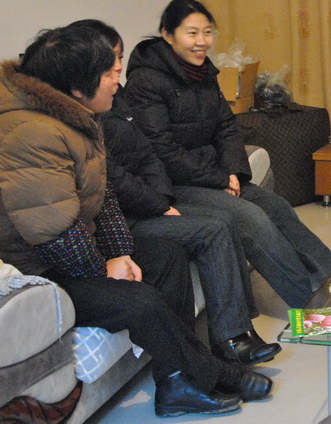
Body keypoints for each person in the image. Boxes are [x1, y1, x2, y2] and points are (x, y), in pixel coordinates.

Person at [0, 25, 273, 417]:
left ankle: (177, 382)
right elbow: (55, 233)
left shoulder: (73, 117)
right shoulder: (30, 134)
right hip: (42, 272)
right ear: (77, 86)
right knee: (139, 300)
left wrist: (121, 252)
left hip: (74, 249)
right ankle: (208, 372)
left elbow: (103, 195)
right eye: (109, 72)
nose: (118, 79)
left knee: (165, 256)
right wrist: (103, 270)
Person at [67, 19, 280, 366]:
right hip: (129, 217)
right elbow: (112, 180)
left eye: (119, 58)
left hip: (151, 201)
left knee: (231, 218)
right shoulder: (83, 120)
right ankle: (231, 339)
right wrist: (157, 205)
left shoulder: (116, 100)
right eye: (111, 62)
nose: (118, 69)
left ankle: (236, 333)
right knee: (214, 228)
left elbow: (149, 153)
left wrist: (162, 197)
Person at [123, 0, 331, 308]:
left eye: (207, 32)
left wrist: (234, 171)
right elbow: (160, 148)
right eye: (192, 33)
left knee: (277, 207)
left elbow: (227, 126)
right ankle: (312, 305)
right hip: (173, 184)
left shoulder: (203, 73)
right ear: (168, 35)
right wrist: (218, 179)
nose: (202, 42)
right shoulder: (146, 81)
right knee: (250, 217)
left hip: (212, 175)